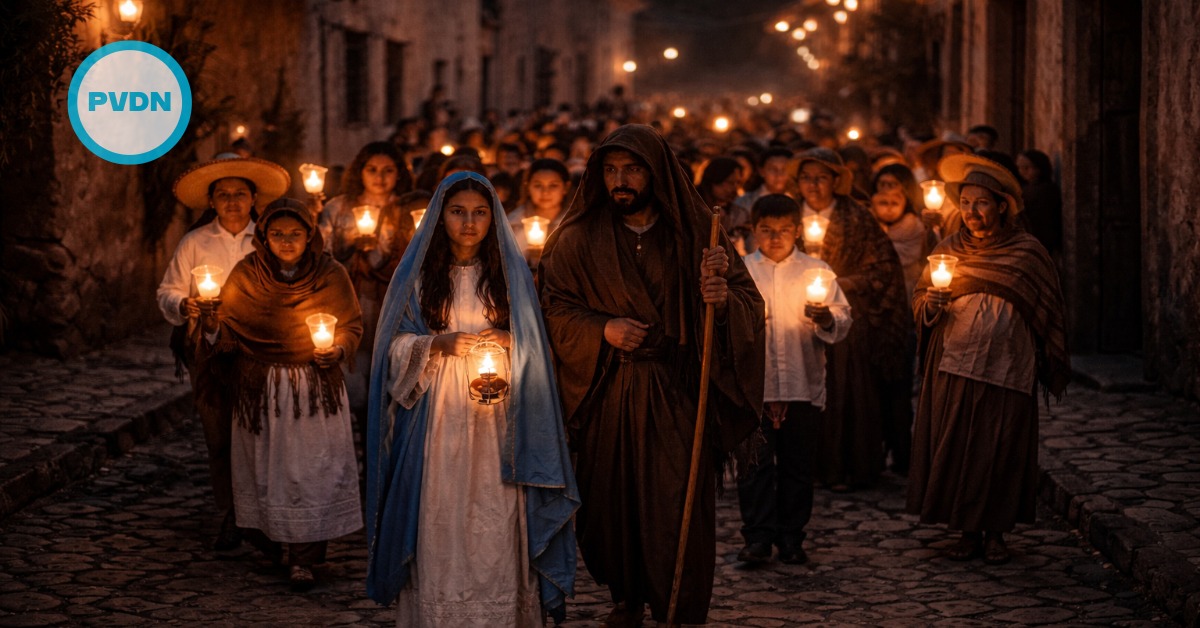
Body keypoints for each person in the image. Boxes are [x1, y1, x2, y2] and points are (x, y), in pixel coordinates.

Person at [538, 124, 765, 626]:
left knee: (674, 500)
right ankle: (627, 597)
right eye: (611, 170)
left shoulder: (697, 235)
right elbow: (552, 308)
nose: (620, 180)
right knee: (609, 505)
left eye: (632, 169)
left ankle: (679, 604)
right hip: (607, 391)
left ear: (657, 172)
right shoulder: (576, 239)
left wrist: (719, 300)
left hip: (675, 391)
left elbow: (748, 302)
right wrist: (602, 328)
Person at [364, 173, 579, 625]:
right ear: (440, 217)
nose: (469, 222)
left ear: (493, 218)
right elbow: (390, 349)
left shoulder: (510, 279)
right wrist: (435, 345)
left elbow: (539, 346)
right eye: (458, 212)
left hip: (501, 418)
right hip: (437, 417)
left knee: (497, 511)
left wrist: (510, 340)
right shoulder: (418, 279)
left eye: (480, 213)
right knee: (441, 510)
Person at [908, 154, 1070, 565]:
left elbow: (1048, 307)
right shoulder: (948, 249)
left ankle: (996, 533)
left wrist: (1048, 355)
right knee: (958, 445)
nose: (972, 211)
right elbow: (920, 297)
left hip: (1008, 367)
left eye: (981, 203)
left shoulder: (1027, 252)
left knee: (1001, 448)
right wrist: (932, 304)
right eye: (965, 203)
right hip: (955, 364)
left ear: (1002, 205)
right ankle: (966, 531)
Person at [196, 198, 364, 590]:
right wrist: (211, 323)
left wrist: (338, 349)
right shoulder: (246, 275)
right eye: (277, 234)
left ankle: (304, 558)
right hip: (262, 388)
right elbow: (227, 334)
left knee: (311, 472)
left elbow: (351, 326)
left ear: (310, 235)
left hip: (312, 387)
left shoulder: (331, 274)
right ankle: (272, 545)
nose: (286, 241)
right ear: (263, 237)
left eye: (295, 234)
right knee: (266, 469)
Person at [157, 154, 290, 552]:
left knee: (262, 433)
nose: (232, 201)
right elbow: (168, 290)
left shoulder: (266, 241)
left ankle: (264, 513)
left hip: (258, 351)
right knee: (218, 434)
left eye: (240, 193)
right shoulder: (195, 243)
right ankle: (231, 511)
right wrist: (185, 304)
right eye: (223, 194)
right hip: (209, 352)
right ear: (212, 201)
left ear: (254, 198)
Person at [736, 194, 851, 566]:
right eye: (766, 230)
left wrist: (826, 318)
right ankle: (757, 537)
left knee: (797, 468)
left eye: (784, 230)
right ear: (753, 231)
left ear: (798, 231)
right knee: (754, 467)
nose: (775, 238)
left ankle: (791, 537)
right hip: (755, 388)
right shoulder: (741, 273)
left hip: (802, 383)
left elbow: (842, 318)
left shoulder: (817, 271)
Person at [789, 148, 909, 490]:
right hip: (795, 317)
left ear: (836, 181)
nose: (813, 185)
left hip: (845, 320)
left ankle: (844, 466)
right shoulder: (789, 216)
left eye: (821, 178)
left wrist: (839, 284)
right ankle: (803, 467)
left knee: (844, 391)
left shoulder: (857, 217)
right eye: (806, 178)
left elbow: (883, 267)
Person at [318, 141, 416, 417]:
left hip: (394, 300)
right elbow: (323, 254)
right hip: (352, 298)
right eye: (372, 169)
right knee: (355, 369)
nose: (379, 177)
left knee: (391, 367)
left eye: (388, 170)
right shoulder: (339, 208)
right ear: (359, 171)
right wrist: (352, 249)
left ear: (399, 173)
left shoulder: (407, 209)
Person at [506, 158, 571, 262]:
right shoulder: (512, 223)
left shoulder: (574, 223)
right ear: (527, 187)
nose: (545, 192)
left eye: (553, 185)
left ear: (566, 187)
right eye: (538, 185)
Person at [696, 156, 752, 255]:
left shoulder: (739, 213)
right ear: (714, 181)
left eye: (738, 183)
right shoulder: (695, 208)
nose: (734, 188)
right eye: (729, 182)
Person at [1015, 149, 1063, 258]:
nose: (1023, 171)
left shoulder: (1046, 190)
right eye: (1020, 167)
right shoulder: (1026, 188)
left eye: (1027, 167)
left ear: (1039, 167)